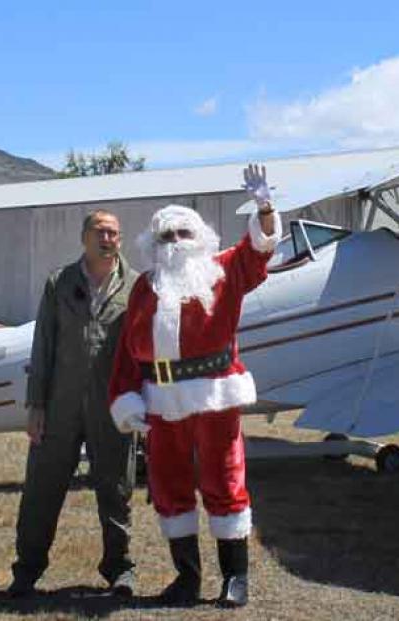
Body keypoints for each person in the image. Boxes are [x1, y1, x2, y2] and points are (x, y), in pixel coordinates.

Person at [108, 164, 281, 608]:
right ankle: (186, 579)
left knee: (224, 481)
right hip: (162, 404)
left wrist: (264, 207)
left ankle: (234, 578)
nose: (176, 244)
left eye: (183, 233)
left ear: (200, 236)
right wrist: (126, 398)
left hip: (215, 398)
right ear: (154, 244)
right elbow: (129, 351)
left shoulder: (224, 272)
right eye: (167, 237)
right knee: (169, 487)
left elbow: (258, 250)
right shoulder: (145, 288)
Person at [8, 209, 139, 598]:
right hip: (60, 403)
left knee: (117, 489)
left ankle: (120, 570)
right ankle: (26, 571)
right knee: (42, 490)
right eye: (100, 231)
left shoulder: (135, 287)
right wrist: (36, 405)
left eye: (114, 232)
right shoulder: (59, 283)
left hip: (112, 406)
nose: (108, 238)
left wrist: (142, 404)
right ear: (84, 237)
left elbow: (142, 350)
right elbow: (43, 345)